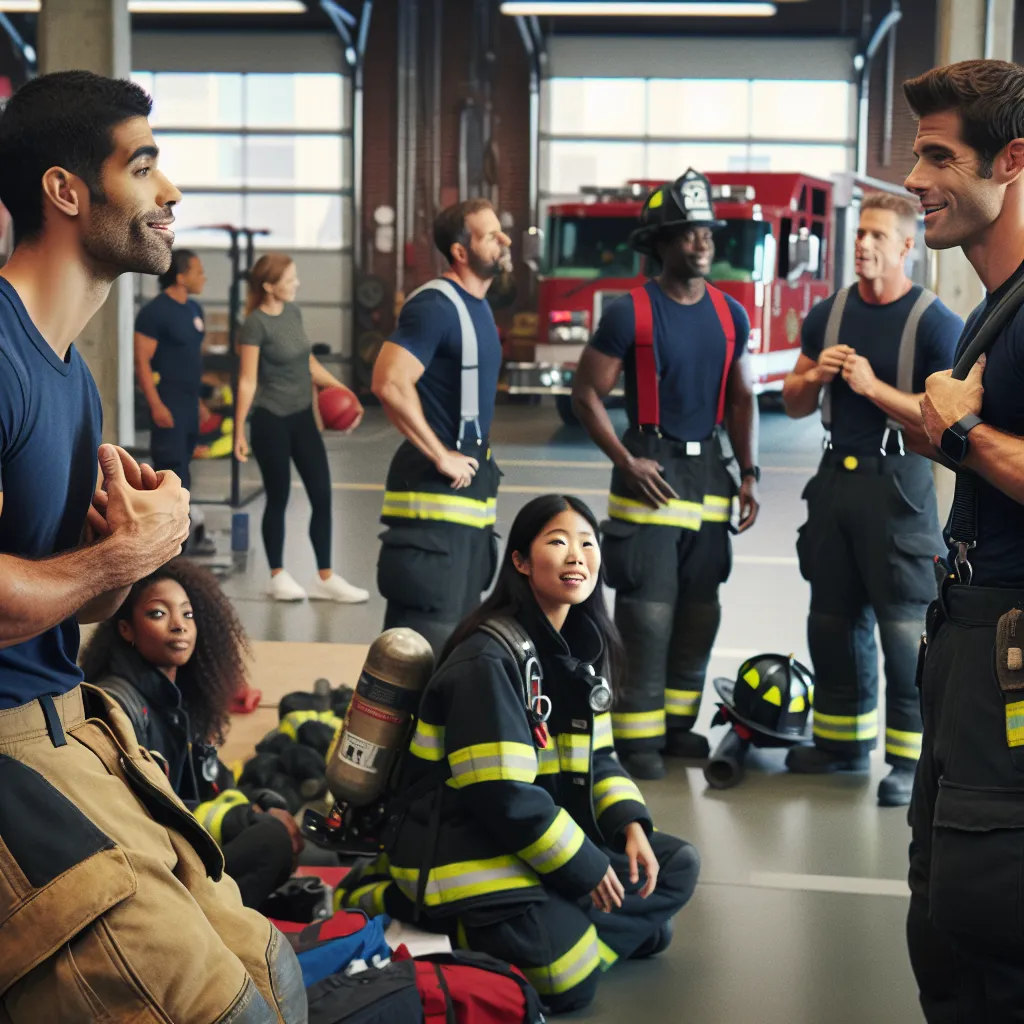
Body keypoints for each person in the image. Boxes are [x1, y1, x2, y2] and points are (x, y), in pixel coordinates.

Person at [0, 71, 304, 1022]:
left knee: (272, 966)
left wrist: (120, 548)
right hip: (10, 754)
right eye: (144, 165)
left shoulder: (73, 381)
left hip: (73, 724)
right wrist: (125, 561)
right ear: (66, 191)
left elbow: (69, 606)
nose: (169, 192)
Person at [336, 494, 700, 1014]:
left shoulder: (579, 647)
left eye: (587, 542)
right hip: (467, 854)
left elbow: (600, 761)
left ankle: (566, 919)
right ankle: (405, 904)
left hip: (531, 848)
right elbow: (503, 797)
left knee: (677, 864)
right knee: (569, 979)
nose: (576, 555)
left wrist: (629, 827)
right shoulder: (487, 659)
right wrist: (588, 868)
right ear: (521, 561)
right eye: (557, 541)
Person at [896, 59, 1024, 1021]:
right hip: (966, 649)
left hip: (1010, 662)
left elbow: (979, 444)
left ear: (1011, 160)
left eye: (939, 156)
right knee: (941, 908)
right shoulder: (987, 313)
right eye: (915, 153)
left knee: (987, 917)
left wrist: (963, 436)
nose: (912, 179)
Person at [571, 168, 760, 781]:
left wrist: (749, 474)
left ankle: (677, 727)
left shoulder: (733, 316)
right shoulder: (629, 314)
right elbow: (586, 393)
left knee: (700, 610)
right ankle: (635, 739)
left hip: (711, 474)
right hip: (650, 468)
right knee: (648, 616)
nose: (702, 242)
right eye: (687, 233)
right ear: (659, 242)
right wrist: (626, 461)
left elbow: (740, 400)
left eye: (706, 231)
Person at [780, 192, 962, 808]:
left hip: (900, 488)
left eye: (879, 236)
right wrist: (813, 377)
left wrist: (871, 387)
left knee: (904, 630)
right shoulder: (827, 316)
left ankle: (910, 762)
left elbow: (946, 420)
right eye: (860, 233)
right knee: (830, 619)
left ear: (907, 246)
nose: (864, 244)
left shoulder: (936, 324)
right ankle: (841, 744)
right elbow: (793, 401)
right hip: (834, 481)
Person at [79, 557, 302, 910]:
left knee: (279, 815)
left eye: (187, 614)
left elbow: (214, 783)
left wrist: (260, 800)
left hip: (183, 853)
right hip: (150, 876)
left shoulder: (177, 700)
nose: (179, 626)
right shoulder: (115, 706)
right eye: (158, 614)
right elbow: (145, 819)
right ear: (126, 629)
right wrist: (241, 819)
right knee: (271, 840)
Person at [372, 198, 511, 656]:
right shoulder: (436, 305)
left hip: (466, 509)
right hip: (434, 511)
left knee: (456, 641)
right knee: (422, 651)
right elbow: (390, 382)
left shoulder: (478, 307)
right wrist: (439, 453)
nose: (504, 240)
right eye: (491, 235)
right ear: (460, 251)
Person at [234, 252, 369, 604]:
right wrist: (238, 432)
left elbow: (307, 362)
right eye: (290, 279)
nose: (297, 284)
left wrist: (340, 389)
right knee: (278, 497)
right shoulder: (255, 324)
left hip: (302, 418)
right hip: (270, 420)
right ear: (268, 286)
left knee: (322, 496)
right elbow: (247, 381)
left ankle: (324, 577)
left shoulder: (293, 313)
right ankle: (276, 575)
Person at [134, 247, 218, 556]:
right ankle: (166, 542)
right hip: (167, 400)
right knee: (170, 470)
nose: (203, 277)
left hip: (188, 403)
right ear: (181, 276)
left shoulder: (194, 310)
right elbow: (142, 362)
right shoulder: (154, 313)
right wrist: (156, 405)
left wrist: (198, 401)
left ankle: (185, 536)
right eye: (198, 271)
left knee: (186, 468)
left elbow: (191, 359)